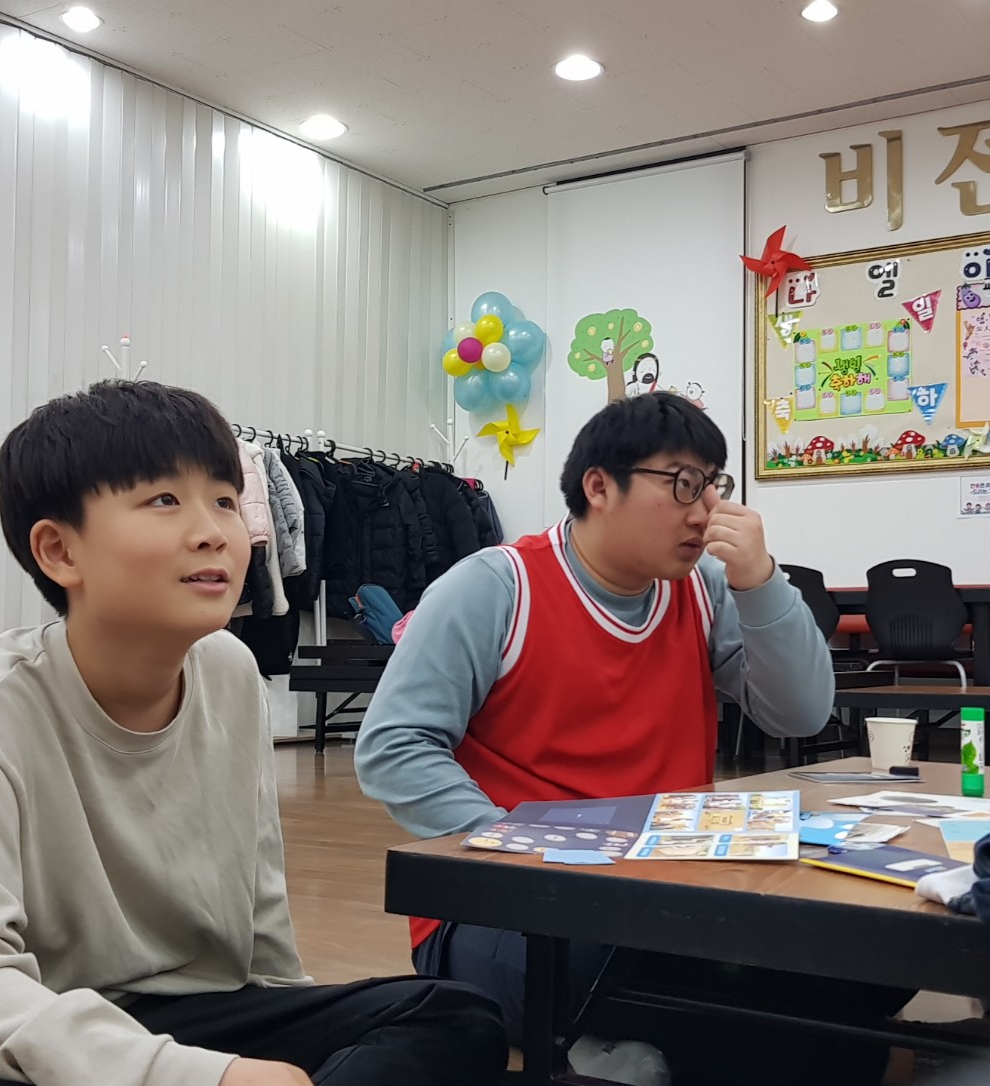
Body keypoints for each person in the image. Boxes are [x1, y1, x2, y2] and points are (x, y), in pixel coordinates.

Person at [0, 380, 507, 1086]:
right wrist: (203, 1078)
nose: (214, 531)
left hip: (173, 1010)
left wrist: (276, 1045)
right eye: (164, 501)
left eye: (225, 500)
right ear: (59, 551)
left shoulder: (231, 675)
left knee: (453, 1017)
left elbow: (261, 925)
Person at [355, 391, 907, 1085]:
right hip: (511, 911)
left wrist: (762, 583)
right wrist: (521, 848)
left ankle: (648, 1042)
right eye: (681, 484)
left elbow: (800, 713)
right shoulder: (497, 587)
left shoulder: (704, 589)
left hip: (670, 893)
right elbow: (394, 746)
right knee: (775, 1013)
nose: (704, 510)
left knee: (877, 939)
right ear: (599, 486)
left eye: (712, 485)